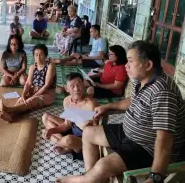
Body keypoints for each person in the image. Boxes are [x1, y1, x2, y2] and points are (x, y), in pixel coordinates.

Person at [56, 41, 185, 183]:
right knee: (88, 133)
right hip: (129, 133)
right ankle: (91, 178)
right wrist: (108, 107)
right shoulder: (141, 79)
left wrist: (155, 177)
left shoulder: (163, 93)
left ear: (148, 65)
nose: (126, 65)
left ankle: (82, 180)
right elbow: (133, 100)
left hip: (147, 148)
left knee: (102, 166)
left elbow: (164, 140)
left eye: (130, 61)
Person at [42, 73, 98, 157]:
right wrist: (52, 131)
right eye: (72, 86)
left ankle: (66, 144)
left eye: (79, 84)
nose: (76, 89)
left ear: (84, 85)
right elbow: (67, 124)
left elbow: (93, 132)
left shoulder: (90, 104)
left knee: (68, 140)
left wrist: (80, 121)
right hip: (72, 129)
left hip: (84, 139)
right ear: (67, 88)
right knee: (45, 117)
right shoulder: (67, 101)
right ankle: (68, 146)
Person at [0, 44, 56, 123]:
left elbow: (47, 85)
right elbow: (28, 83)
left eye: (41, 55)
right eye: (36, 55)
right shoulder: (32, 67)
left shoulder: (50, 66)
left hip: (47, 94)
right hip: (34, 90)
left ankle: (8, 109)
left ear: (45, 55)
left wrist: (33, 96)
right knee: (22, 100)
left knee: (32, 101)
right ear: (33, 56)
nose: (38, 57)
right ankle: (10, 116)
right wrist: (23, 95)